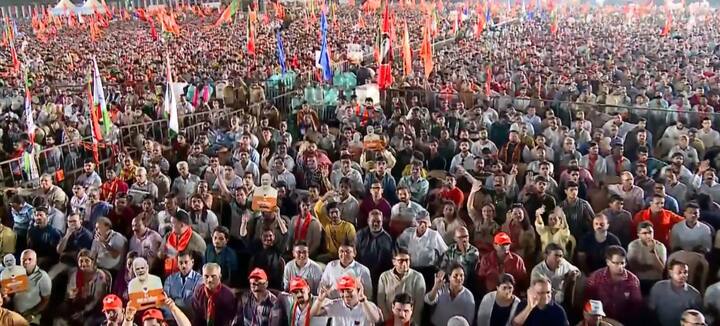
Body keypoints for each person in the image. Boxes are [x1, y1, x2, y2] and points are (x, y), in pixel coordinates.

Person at [584, 246, 642, 325]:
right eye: (616, 263)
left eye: (622, 263)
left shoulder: (632, 280)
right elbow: (588, 303)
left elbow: (636, 306)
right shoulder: (595, 278)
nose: (620, 267)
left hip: (625, 320)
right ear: (608, 262)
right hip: (600, 319)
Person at [396, 211, 448, 289]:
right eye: (420, 222)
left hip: (428, 271)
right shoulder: (408, 233)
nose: (422, 226)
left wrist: (442, 269)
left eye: (425, 223)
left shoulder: (434, 235)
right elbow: (397, 244)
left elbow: (446, 252)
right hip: (411, 270)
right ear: (416, 223)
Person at [61, 249, 110, 326]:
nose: (83, 264)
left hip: (94, 308)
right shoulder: (75, 274)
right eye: (81, 261)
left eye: (87, 261)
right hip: (78, 304)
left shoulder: (100, 276)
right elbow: (69, 292)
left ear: (92, 262)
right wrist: (71, 294)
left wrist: (82, 312)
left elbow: (97, 300)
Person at [377, 249, 426, 325]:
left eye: (407, 260)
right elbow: (381, 301)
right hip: (389, 319)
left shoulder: (418, 277)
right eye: (401, 261)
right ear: (394, 262)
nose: (404, 264)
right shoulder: (384, 277)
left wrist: (409, 321)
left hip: (411, 321)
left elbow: (419, 304)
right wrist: (389, 320)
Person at [310, 275, 382, 326]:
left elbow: (375, 320)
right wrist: (319, 300)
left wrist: (363, 300)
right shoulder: (335, 304)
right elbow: (313, 314)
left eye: (349, 290)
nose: (345, 294)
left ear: (358, 290)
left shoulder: (368, 305)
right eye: (343, 291)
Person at [3, 249, 52, 324]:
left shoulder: (43, 277)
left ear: (36, 261)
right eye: (23, 259)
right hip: (15, 314)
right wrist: (5, 295)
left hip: (32, 317)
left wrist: (32, 314)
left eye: (30, 259)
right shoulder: (16, 274)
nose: (26, 262)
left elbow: (46, 300)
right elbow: (10, 300)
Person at [648, 260, 702, 326]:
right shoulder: (658, 287)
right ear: (671, 273)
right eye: (679, 272)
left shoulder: (694, 294)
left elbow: (698, 318)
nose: (683, 275)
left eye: (685, 272)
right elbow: (651, 310)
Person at [159, 210, 206, 277]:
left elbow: (200, 266)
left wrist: (177, 255)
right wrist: (161, 254)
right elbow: (160, 253)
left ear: (181, 225)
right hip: (168, 275)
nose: (170, 226)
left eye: (173, 224)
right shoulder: (168, 236)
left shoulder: (197, 242)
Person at [627, 221, 667, 295]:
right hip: (638, 280)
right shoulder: (633, 246)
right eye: (645, 233)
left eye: (650, 232)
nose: (648, 235)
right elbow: (633, 267)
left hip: (656, 280)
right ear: (638, 234)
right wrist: (651, 267)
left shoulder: (660, 246)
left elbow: (661, 269)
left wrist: (653, 252)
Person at [163, 251, 201, 318]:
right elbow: (166, 300)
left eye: (186, 262)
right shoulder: (170, 279)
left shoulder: (200, 279)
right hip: (173, 317)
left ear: (192, 262)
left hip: (192, 318)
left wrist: (175, 301)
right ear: (177, 264)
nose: (183, 266)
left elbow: (194, 302)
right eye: (180, 263)